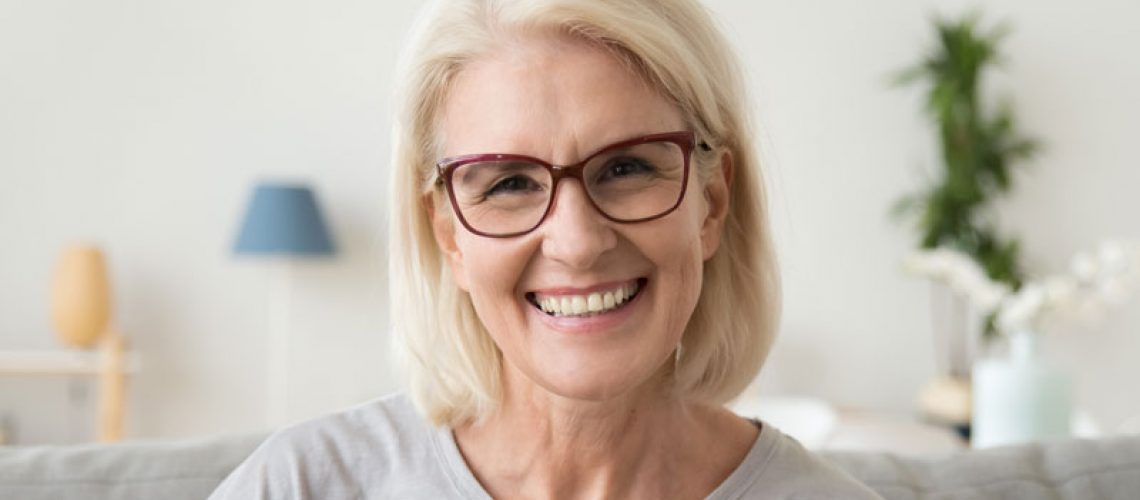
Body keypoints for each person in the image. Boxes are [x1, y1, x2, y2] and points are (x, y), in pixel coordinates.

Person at [211, 0, 882, 498]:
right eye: (509, 183)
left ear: (711, 203)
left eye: (626, 169)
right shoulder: (301, 484)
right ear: (448, 235)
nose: (577, 242)